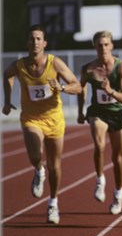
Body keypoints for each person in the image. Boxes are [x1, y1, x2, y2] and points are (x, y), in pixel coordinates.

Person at [2, 24, 81, 224]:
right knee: (36, 154)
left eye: (38, 39)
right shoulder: (19, 65)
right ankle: (38, 169)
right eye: (31, 38)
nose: (35, 42)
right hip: (32, 119)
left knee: (55, 165)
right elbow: (7, 75)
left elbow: (77, 86)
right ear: (27, 43)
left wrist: (61, 86)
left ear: (44, 43)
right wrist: (7, 99)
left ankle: (53, 202)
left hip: (54, 119)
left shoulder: (55, 64)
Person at [77, 31, 122, 215]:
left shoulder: (121, 67)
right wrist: (80, 111)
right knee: (99, 145)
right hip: (97, 112)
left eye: (106, 44)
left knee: (118, 158)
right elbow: (81, 88)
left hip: (117, 113)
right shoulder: (88, 69)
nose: (103, 48)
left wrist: (110, 91)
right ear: (94, 46)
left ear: (112, 46)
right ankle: (100, 180)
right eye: (99, 45)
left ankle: (118, 193)